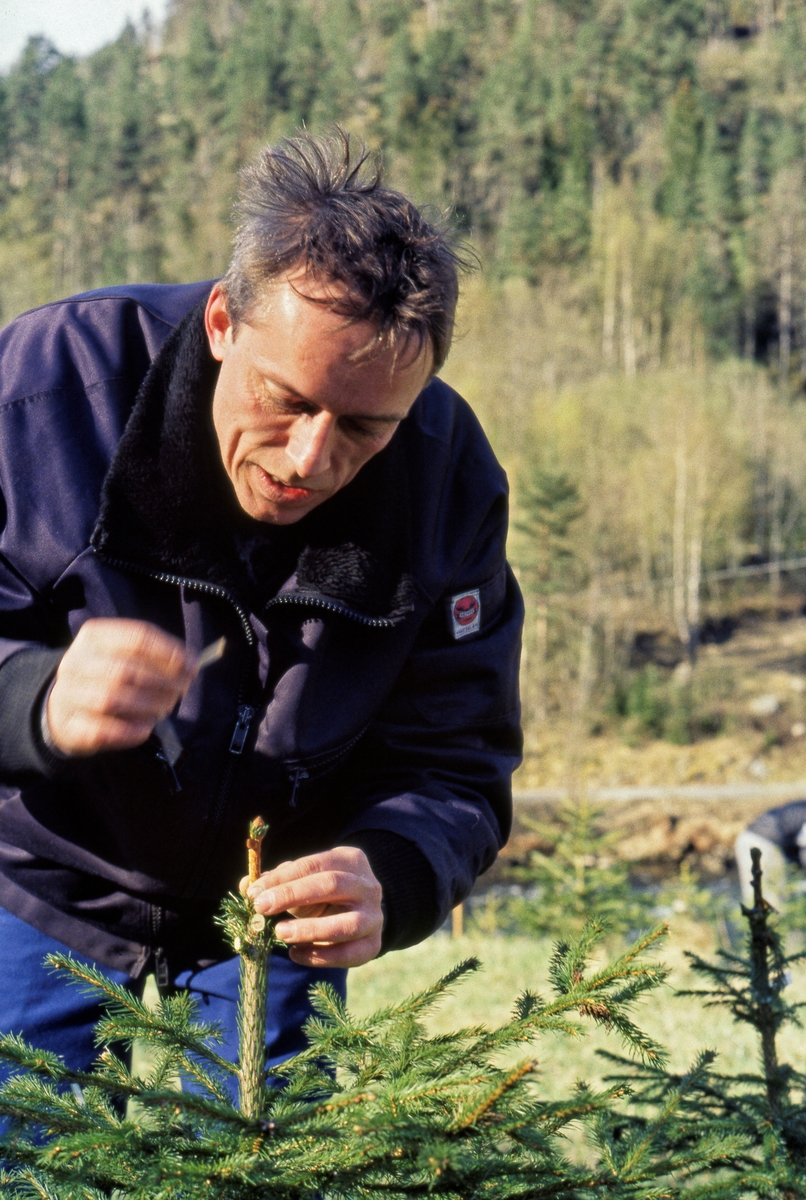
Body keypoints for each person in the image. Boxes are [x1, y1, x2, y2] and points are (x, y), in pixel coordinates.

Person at [0, 130, 522, 1090]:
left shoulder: (449, 477)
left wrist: (394, 872)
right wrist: (30, 700)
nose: (308, 459)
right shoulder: (46, 388)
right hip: (35, 880)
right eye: (284, 401)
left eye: (367, 426)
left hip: (278, 914)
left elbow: (456, 758)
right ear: (220, 323)